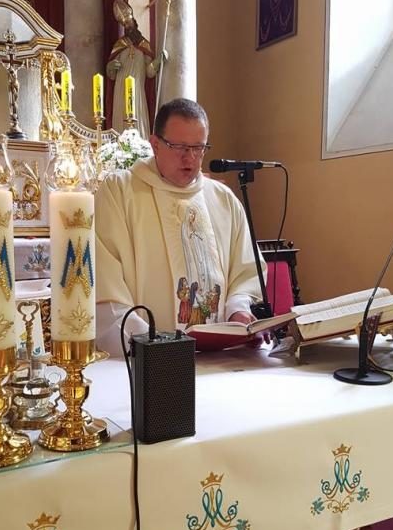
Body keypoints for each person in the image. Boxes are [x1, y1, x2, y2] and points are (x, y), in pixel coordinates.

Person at [95, 98, 267, 354]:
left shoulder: (224, 199)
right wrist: (154, 347)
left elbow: (245, 274)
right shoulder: (119, 192)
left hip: (221, 358)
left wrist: (238, 310)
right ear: (155, 144)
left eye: (199, 148)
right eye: (179, 147)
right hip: (151, 362)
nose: (190, 158)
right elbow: (107, 290)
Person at [106, 0, 166, 139]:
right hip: (120, 90)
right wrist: (111, 67)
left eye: (129, 22)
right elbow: (111, 75)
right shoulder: (119, 45)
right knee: (120, 120)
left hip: (137, 89)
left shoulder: (144, 45)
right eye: (125, 24)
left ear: (134, 21)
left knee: (138, 118)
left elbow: (149, 72)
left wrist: (159, 60)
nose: (128, 26)